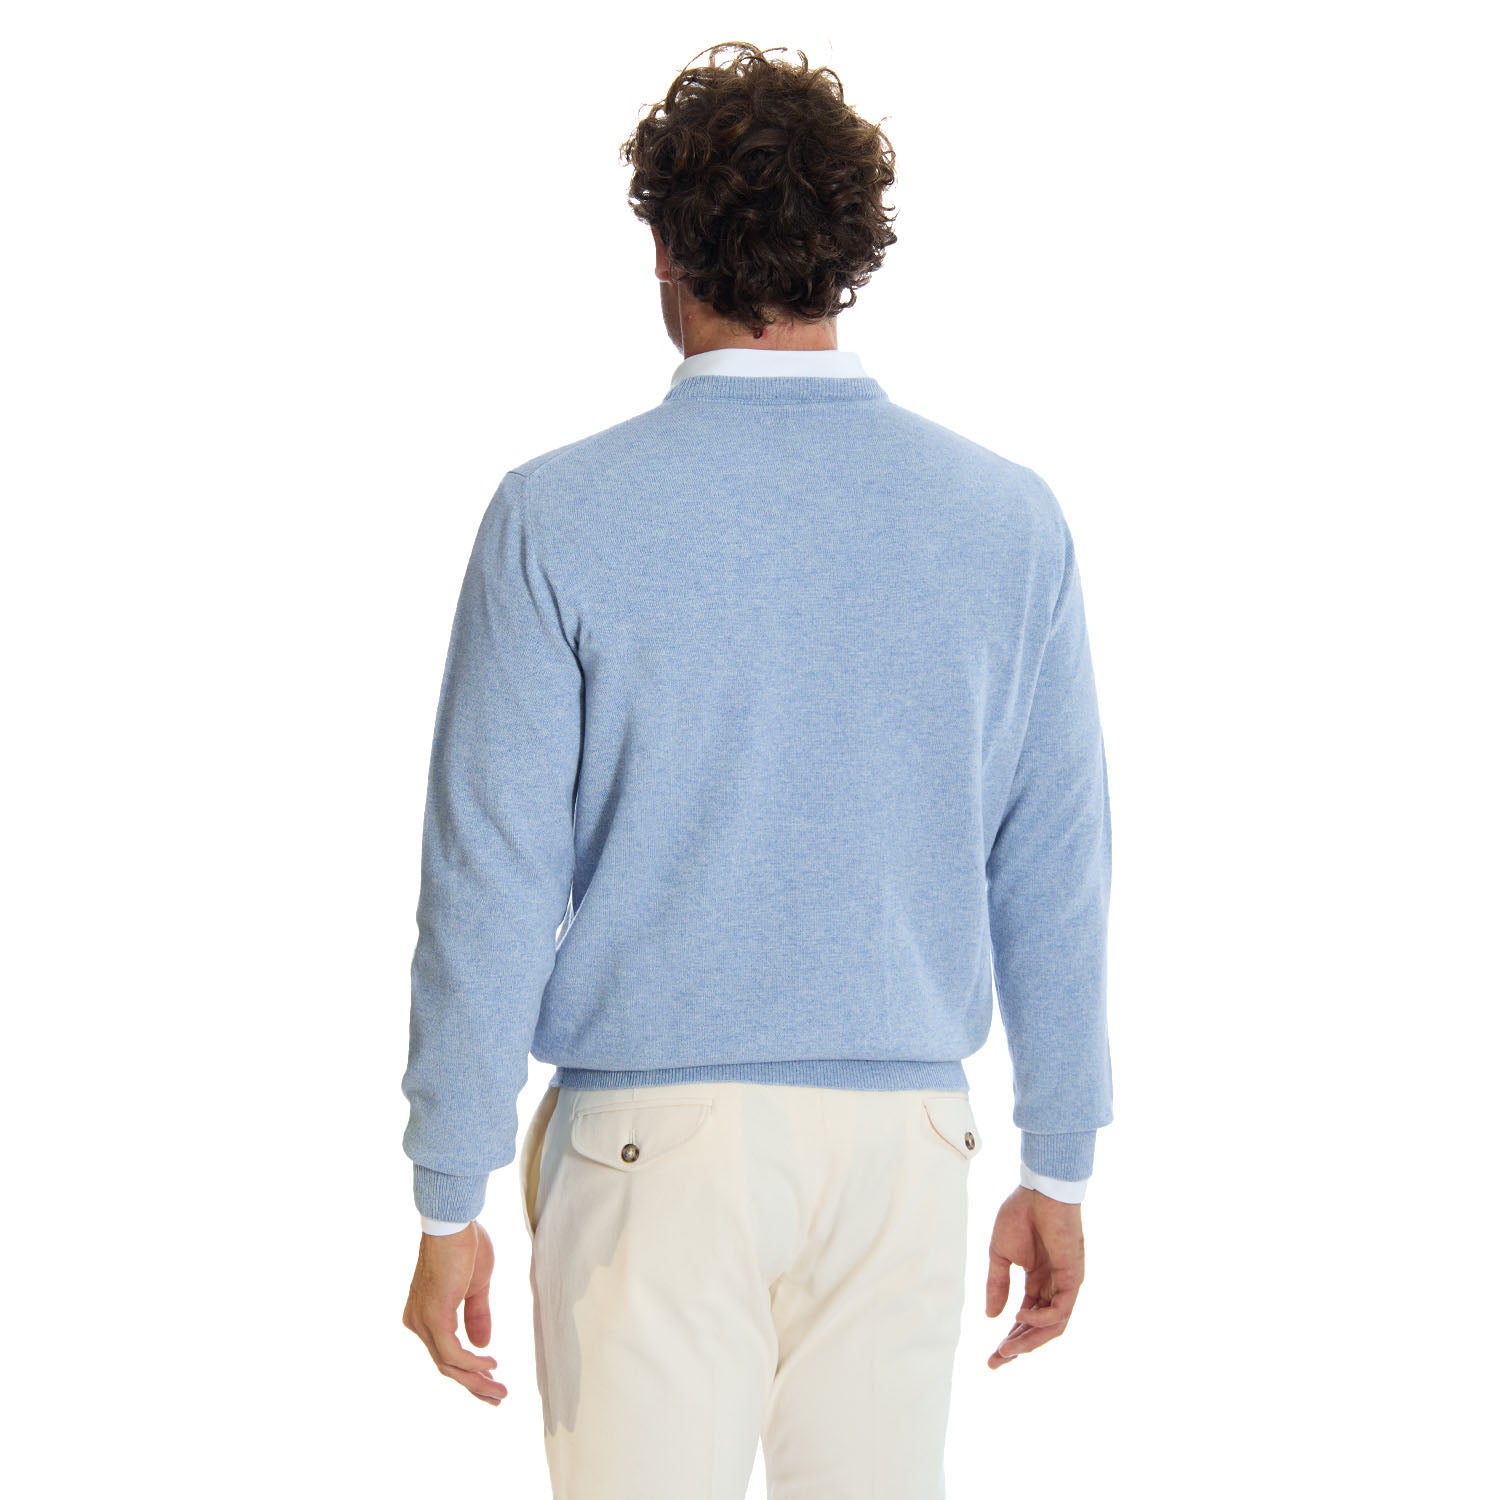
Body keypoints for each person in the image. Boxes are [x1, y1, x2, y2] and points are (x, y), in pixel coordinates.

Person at [400, 40, 1113, 1499]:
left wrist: (447, 1191)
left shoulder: (557, 515)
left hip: (647, 1146)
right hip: (907, 1143)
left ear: (663, 251)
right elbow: (1056, 863)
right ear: (853, 256)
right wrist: (1059, 1162)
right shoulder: (1007, 520)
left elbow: (490, 876)